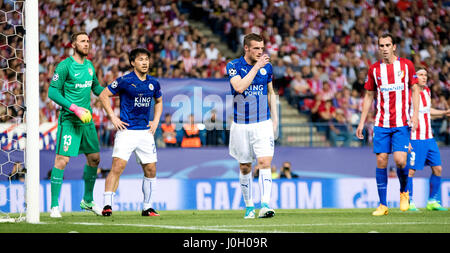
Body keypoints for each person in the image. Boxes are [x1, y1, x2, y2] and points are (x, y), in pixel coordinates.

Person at [356, 33, 421, 216]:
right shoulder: (374, 70)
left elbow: (415, 90)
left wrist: (415, 115)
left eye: (387, 45)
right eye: (381, 45)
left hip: (401, 123)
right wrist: (362, 122)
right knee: (381, 160)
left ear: (394, 46)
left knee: (400, 161)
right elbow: (369, 95)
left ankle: (404, 192)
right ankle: (383, 205)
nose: (384, 48)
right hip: (381, 123)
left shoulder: (406, 65)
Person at [99, 48, 163, 217]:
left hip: (145, 133)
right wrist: (113, 117)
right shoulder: (125, 81)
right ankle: (107, 205)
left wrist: (156, 121)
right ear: (133, 62)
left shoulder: (153, 83)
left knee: (151, 169)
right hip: (126, 131)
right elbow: (104, 95)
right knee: (117, 167)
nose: (145, 62)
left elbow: (159, 101)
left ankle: (147, 207)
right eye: (141, 59)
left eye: (147, 59)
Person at [47, 31, 104, 218]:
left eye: (88, 41)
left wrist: (114, 90)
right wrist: (74, 108)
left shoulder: (89, 66)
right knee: (62, 161)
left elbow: (95, 88)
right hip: (70, 120)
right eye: (82, 41)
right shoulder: (65, 66)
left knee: (95, 159)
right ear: (73, 44)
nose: (86, 44)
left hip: (86, 122)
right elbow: (53, 93)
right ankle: (54, 206)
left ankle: (87, 201)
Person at [226, 33, 278, 219]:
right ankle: (249, 206)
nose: (260, 52)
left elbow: (271, 93)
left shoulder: (268, 68)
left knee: (264, 163)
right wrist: (256, 67)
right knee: (245, 167)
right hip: (241, 125)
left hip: (262, 123)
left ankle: (265, 205)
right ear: (246, 48)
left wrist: (275, 120)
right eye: (256, 48)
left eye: (262, 48)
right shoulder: (233, 66)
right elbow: (239, 87)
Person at [405, 67, 450, 211]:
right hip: (414, 138)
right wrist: (406, 139)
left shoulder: (427, 92)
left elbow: (427, 111)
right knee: (411, 171)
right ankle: (408, 202)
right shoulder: (408, 94)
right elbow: (403, 116)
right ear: (414, 77)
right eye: (421, 75)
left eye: (425, 75)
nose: (424, 77)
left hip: (429, 138)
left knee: (437, 168)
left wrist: (443, 112)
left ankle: (432, 201)